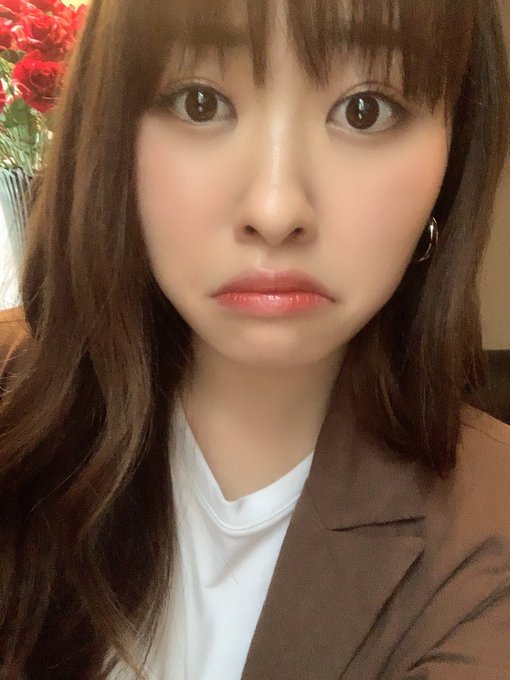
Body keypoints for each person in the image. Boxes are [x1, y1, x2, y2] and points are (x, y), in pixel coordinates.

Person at [1, 0, 510, 677]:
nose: (274, 211)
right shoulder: (14, 407)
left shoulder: (489, 528)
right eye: (201, 102)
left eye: (365, 110)